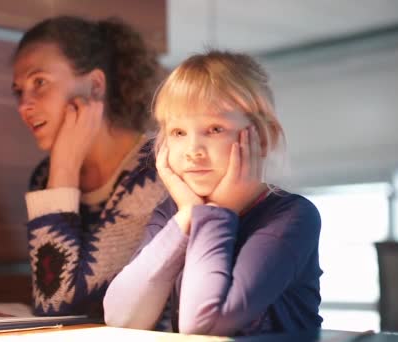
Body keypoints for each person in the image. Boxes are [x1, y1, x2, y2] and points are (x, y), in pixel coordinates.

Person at [103, 50, 323, 336]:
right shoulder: (174, 212)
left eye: (215, 129)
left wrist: (215, 214)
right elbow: (121, 317)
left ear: (263, 138)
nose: (193, 151)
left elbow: (203, 325)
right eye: (179, 132)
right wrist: (186, 220)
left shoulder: (292, 216)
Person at [11, 15, 167, 317]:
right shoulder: (46, 175)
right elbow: (52, 301)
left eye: (39, 82)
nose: (23, 105)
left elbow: (58, 306)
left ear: (95, 86)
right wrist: (62, 170)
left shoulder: (157, 170)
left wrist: (65, 168)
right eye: (18, 91)